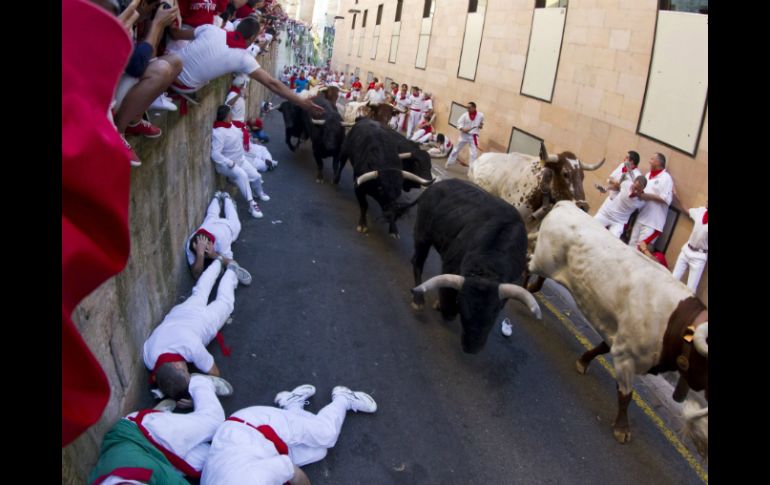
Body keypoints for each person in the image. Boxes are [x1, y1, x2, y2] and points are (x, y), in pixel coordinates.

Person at [201, 384, 378, 484]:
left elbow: (295, 475)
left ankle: (343, 398)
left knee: (326, 435)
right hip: (250, 448)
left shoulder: (253, 480)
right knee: (318, 451)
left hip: (254, 425)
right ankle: (293, 404)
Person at [88, 374, 233, 484]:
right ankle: (163, 416)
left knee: (214, 421)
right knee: (218, 461)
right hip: (153, 455)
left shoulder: (145, 470)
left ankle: (200, 383)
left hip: (143, 433)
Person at [143, 258, 247, 403]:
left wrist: (194, 399)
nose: (188, 371)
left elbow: (214, 373)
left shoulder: (192, 347)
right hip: (180, 313)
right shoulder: (149, 357)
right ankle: (218, 261)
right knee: (200, 291)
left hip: (204, 321)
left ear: (178, 365)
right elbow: (161, 373)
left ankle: (231, 271)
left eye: (187, 372)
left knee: (225, 303)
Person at [171, 16, 322, 115]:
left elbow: (176, 35)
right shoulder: (244, 59)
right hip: (184, 86)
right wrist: (302, 103)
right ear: (251, 39)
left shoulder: (210, 29)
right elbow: (272, 83)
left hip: (169, 68)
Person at [211, 104, 270, 218]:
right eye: (230, 114)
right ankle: (251, 204)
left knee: (256, 176)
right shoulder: (218, 132)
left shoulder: (230, 124)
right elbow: (215, 154)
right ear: (227, 116)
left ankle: (259, 193)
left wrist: (244, 130)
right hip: (227, 165)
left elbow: (238, 128)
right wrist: (228, 162)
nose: (232, 115)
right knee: (243, 176)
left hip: (240, 159)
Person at [186, 192, 251, 282]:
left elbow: (232, 263)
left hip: (228, 227)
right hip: (209, 223)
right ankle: (216, 197)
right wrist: (200, 254)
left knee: (235, 221)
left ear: (212, 245)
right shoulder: (191, 243)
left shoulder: (221, 241)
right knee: (211, 214)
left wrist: (214, 255)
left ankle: (226, 197)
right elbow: (196, 275)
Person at [225, 74, 279, 172]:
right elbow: (227, 105)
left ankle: (269, 161)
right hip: (237, 127)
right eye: (243, 85)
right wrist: (239, 96)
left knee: (262, 149)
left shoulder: (238, 93)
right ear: (240, 85)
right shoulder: (233, 94)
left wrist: (241, 96)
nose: (244, 87)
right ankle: (266, 164)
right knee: (250, 154)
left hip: (241, 126)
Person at [627, 153, 674, 250]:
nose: (649, 161)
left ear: (658, 162)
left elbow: (665, 199)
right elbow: (642, 194)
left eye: (652, 159)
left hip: (653, 223)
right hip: (641, 218)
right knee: (631, 246)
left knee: (640, 251)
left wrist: (646, 196)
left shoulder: (666, 178)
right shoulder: (647, 175)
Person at [671, 200, 708, 291]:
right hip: (686, 250)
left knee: (690, 289)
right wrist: (677, 197)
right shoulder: (700, 211)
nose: (706, 202)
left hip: (699, 257)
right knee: (673, 279)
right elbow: (687, 210)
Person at [446, 101, 484, 168]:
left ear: (474, 108)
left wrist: (481, 125)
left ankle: (471, 169)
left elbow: (481, 123)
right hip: (464, 135)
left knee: (473, 154)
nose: (467, 109)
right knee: (456, 149)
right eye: (467, 107)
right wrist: (463, 129)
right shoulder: (464, 115)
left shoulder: (481, 115)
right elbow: (459, 124)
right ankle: (449, 162)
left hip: (474, 136)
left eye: (469, 107)